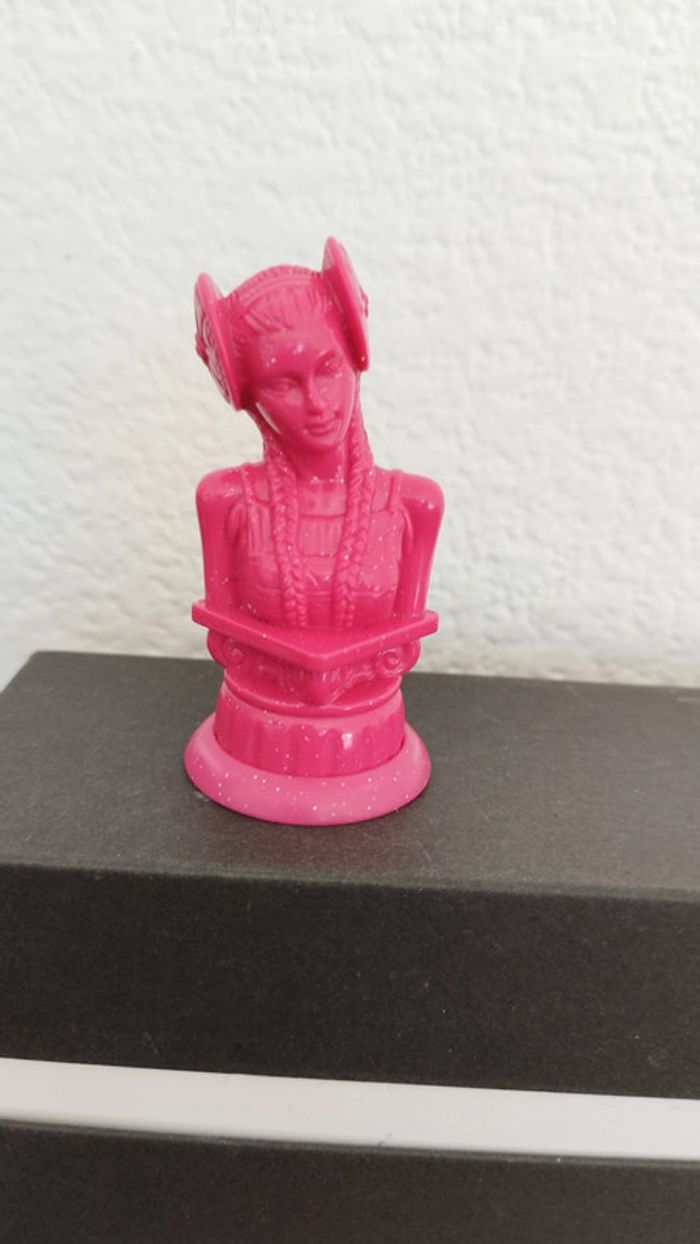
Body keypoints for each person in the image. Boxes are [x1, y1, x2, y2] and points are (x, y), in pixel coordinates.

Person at [194, 239, 443, 636]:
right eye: (282, 384)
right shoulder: (225, 501)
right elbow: (225, 633)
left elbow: (406, 636)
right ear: (251, 397)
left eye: (328, 369)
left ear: (354, 361)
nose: (316, 402)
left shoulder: (415, 505)